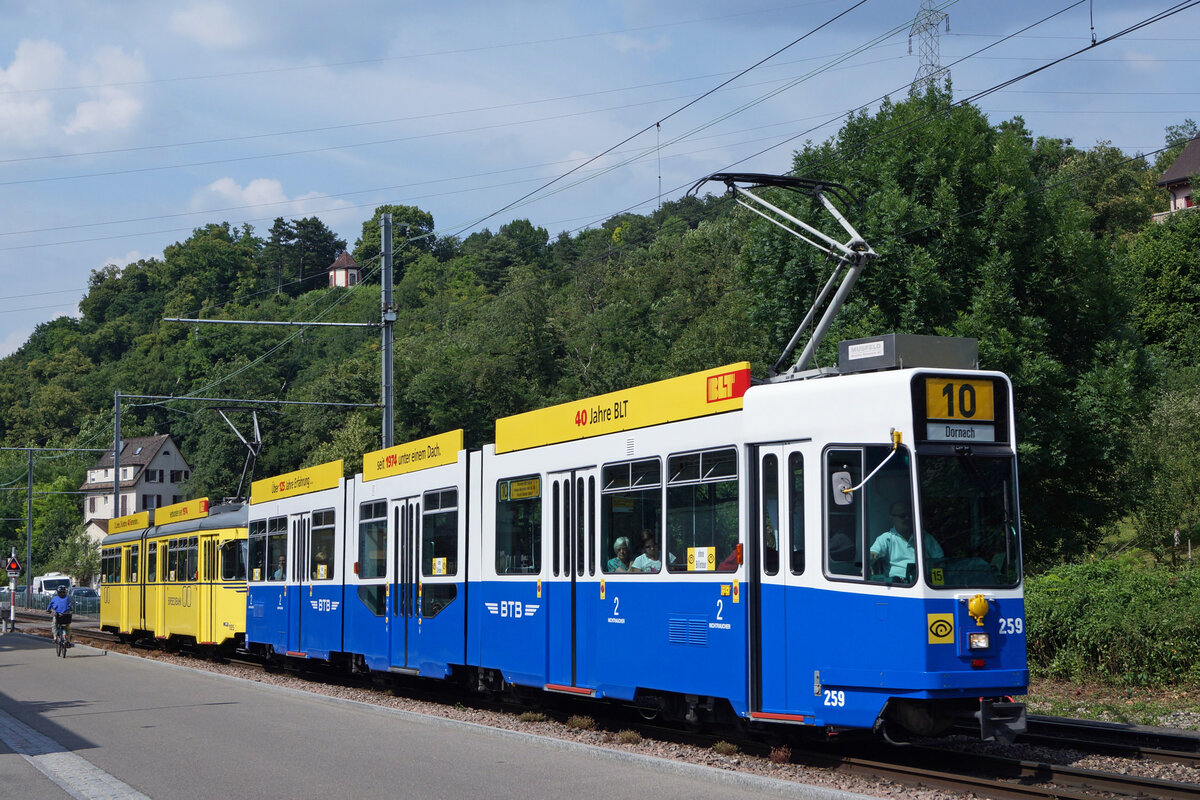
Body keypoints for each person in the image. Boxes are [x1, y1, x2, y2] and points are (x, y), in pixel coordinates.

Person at [869, 501, 943, 582]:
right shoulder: (886, 538)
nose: (907, 518)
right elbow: (873, 554)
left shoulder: (923, 536)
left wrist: (937, 580)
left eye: (909, 515)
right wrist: (869, 563)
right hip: (898, 585)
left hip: (925, 582)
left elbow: (939, 560)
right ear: (892, 518)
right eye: (902, 516)